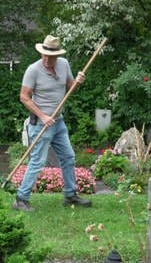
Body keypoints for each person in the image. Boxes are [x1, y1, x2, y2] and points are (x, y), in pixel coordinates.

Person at [12, 35, 92, 212]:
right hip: (40, 123)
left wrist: (77, 82)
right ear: (41, 53)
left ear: (57, 55)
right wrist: (42, 116)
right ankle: (20, 199)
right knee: (37, 161)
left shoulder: (63, 64)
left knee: (68, 157)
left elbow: (70, 87)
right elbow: (24, 97)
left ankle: (70, 195)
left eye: (51, 56)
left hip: (58, 122)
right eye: (44, 55)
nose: (47, 59)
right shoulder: (33, 70)